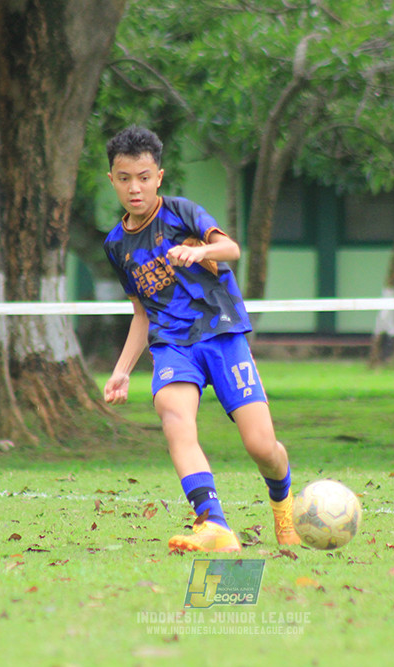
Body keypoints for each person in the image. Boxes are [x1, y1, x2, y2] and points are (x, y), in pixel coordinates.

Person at [102, 125, 299, 553]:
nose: (135, 188)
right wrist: (121, 371)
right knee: (175, 420)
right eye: (124, 178)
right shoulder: (117, 245)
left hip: (222, 335)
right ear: (112, 179)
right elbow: (141, 312)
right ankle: (214, 525)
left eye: (144, 177)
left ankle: (283, 504)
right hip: (171, 344)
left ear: (159, 176)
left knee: (262, 447)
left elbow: (232, 250)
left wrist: (200, 252)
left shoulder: (182, 213)